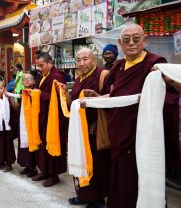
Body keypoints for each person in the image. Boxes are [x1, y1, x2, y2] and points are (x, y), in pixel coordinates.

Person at [84, 23, 178, 208]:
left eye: (136, 39)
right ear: (120, 43)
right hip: (120, 134)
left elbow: (171, 96)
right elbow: (116, 95)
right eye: (126, 40)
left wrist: (152, 95)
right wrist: (99, 98)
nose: (132, 43)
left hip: (143, 136)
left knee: (144, 182)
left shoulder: (155, 64)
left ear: (144, 40)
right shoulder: (118, 66)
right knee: (121, 183)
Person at [58, 48, 110, 208]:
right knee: (79, 161)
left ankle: (97, 198)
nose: (81, 63)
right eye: (78, 60)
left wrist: (98, 98)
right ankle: (83, 195)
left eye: (85, 59)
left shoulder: (103, 75)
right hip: (79, 129)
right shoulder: (79, 79)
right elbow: (73, 102)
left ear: (94, 60)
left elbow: (114, 97)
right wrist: (64, 93)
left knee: (96, 164)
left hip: (95, 129)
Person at [32, 51, 68, 187]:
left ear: (50, 63)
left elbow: (60, 96)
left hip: (54, 117)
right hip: (43, 115)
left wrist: (41, 94)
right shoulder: (43, 76)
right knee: (43, 144)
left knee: (53, 143)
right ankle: (45, 171)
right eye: (38, 66)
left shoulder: (57, 76)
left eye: (41, 66)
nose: (39, 69)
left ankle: (54, 175)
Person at [8, 73, 38, 178]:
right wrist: (10, 97)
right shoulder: (22, 93)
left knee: (31, 144)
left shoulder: (35, 92)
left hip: (31, 123)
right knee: (23, 145)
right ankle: (27, 166)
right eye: (24, 80)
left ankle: (33, 167)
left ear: (34, 81)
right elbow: (17, 107)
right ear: (22, 82)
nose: (26, 81)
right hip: (22, 123)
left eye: (29, 79)